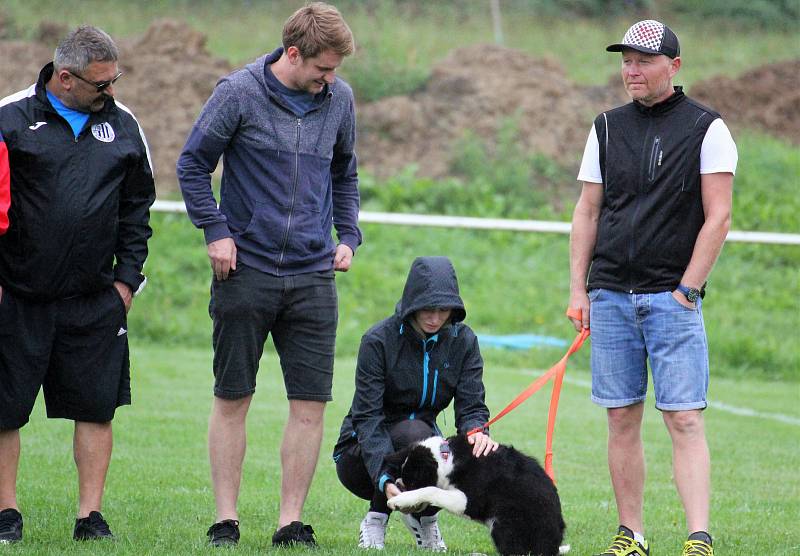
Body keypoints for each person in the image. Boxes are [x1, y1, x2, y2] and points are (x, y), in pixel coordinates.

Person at [176, 2, 361, 548]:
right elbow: (192, 164)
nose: (331, 80)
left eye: (336, 71)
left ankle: (290, 522)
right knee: (234, 396)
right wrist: (215, 230)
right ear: (294, 53)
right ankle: (226, 519)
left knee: (310, 405)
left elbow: (344, 172)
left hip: (312, 275)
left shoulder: (340, 100)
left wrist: (347, 236)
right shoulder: (237, 93)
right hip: (246, 269)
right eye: (323, 69)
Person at [568, 20, 736, 556]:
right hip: (611, 295)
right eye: (625, 61)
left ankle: (698, 537)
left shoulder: (708, 128)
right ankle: (631, 534)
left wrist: (687, 291)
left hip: (672, 298)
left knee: (683, 418)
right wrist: (580, 289)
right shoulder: (606, 127)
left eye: (643, 61)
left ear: (674, 66)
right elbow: (587, 210)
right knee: (621, 416)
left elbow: (719, 218)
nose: (631, 70)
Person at [0, 25, 155, 543]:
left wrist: (127, 283)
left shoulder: (124, 124)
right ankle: (6, 513)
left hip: (95, 302)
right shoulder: (10, 118)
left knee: (95, 408)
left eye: (115, 81)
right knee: (3, 408)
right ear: (64, 79)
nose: (111, 92)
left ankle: (90, 516)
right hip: (18, 298)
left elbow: (138, 209)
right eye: (101, 84)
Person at [333, 256, 499, 551]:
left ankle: (425, 521)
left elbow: (472, 406)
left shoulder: (464, 341)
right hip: (359, 456)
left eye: (443, 310)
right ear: (411, 302)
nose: (435, 318)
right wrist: (385, 479)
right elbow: (368, 417)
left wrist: (476, 432)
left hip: (421, 450)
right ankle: (375, 518)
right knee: (414, 435)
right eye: (427, 309)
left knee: (459, 448)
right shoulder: (377, 341)